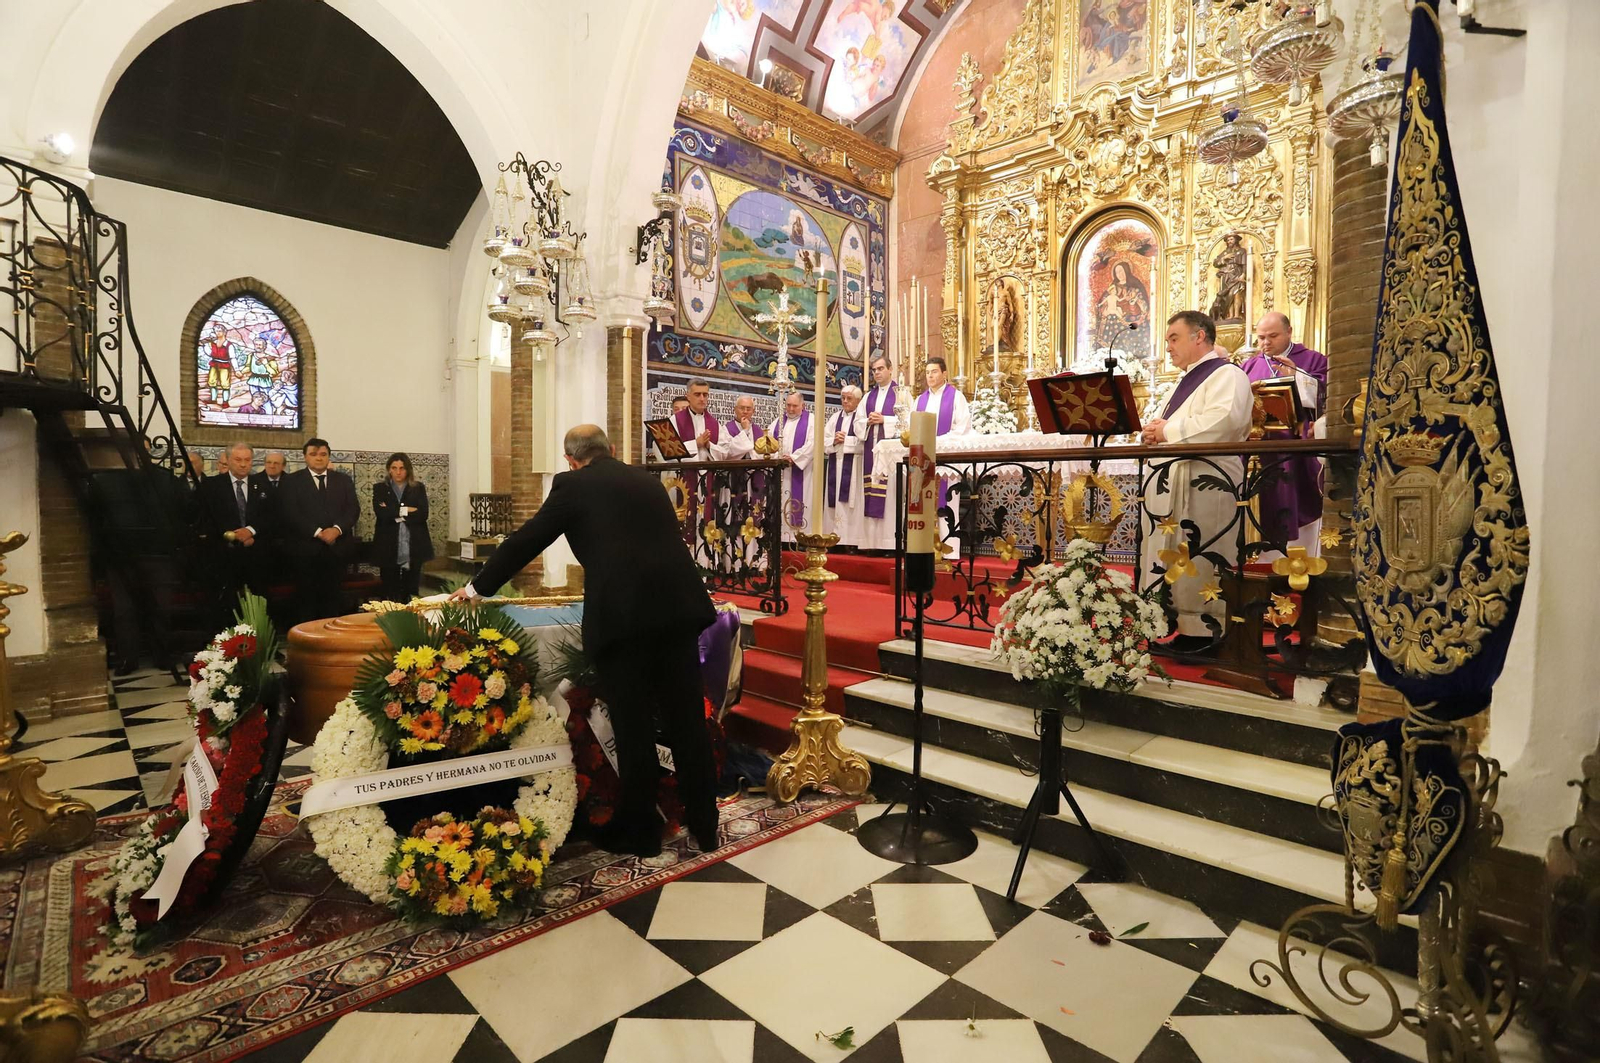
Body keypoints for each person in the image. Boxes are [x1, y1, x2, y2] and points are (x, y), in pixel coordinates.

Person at [450, 425, 719, 857]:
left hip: (626, 622)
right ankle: (706, 827)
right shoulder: (646, 480)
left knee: (632, 728)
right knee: (686, 722)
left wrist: (478, 588)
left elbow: (527, 539)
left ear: (571, 460)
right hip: (679, 611)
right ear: (611, 450)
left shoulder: (572, 485)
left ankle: (641, 834)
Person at [1140, 311, 1254, 651]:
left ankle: (1205, 633)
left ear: (1199, 336)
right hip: (1174, 482)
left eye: (1174, 338)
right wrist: (1152, 432)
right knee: (1172, 556)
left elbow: (1224, 420)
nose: (1169, 347)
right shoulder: (1183, 381)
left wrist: (1166, 431)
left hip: (1207, 481)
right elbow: (1167, 425)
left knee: (1203, 554)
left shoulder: (1227, 374)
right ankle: (1173, 623)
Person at [1239, 311, 1329, 551]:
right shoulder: (1248, 366)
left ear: (1289, 332)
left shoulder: (1313, 360)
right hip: (1257, 451)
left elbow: (1327, 396)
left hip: (1294, 451)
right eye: (1260, 338)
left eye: (1272, 336)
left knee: (1294, 504)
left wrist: (1296, 377)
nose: (1265, 343)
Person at [279, 437, 359, 624]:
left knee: (333, 600)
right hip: (305, 551)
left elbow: (352, 509)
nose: (318, 458)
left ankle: (331, 639)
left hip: (336, 550)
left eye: (323, 454)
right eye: (313, 454)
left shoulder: (343, 480)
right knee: (306, 600)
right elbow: (290, 513)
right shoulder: (292, 481)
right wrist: (318, 532)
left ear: (329, 457)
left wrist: (337, 530)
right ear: (305, 457)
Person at [195, 442, 271, 625]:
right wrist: (232, 535)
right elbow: (205, 518)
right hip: (223, 555)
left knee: (258, 602)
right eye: (238, 460)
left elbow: (272, 516)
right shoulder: (211, 485)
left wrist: (250, 532)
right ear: (228, 461)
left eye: (247, 460)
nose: (243, 464)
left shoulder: (262, 485)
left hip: (255, 554)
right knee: (226, 604)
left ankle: (259, 643)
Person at [371, 452, 433, 602]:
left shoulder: (418, 488)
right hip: (388, 544)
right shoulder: (380, 488)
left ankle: (409, 619)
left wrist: (394, 510)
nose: (398, 472)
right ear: (389, 469)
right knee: (390, 587)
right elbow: (382, 513)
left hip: (413, 543)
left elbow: (422, 514)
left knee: (411, 588)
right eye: (394, 468)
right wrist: (407, 510)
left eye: (402, 468)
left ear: (408, 470)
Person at [859, 355, 900, 552]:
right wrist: (867, 422)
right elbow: (858, 422)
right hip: (871, 450)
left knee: (889, 496)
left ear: (890, 369)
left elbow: (907, 419)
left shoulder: (901, 394)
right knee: (870, 493)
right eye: (874, 370)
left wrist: (885, 420)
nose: (876, 373)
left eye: (880, 368)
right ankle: (871, 543)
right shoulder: (868, 396)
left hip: (890, 455)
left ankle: (889, 543)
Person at [768, 391, 814, 542]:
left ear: (803, 406)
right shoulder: (778, 422)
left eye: (795, 406)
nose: (791, 409)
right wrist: (778, 458)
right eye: (788, 405)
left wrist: (794, 458)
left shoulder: (811, 421)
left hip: (801, 472)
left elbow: (813, 443)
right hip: (781, 471)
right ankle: (780, 537)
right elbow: (768, 444)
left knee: (799, 503)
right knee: (781, 503)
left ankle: (798, 539)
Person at [823, 385, 865, 548]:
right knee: (834, 503)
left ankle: (851, 542)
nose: (845, 401)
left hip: (854, 466)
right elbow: (823, 441)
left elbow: (864, 445)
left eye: (849, 398)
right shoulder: (834, 418)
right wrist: (834, 439)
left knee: (851, 503)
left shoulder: (861, 420)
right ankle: (833, 540)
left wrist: (845, 440)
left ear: (858, 401)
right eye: (843, 398)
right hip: (835, 464)